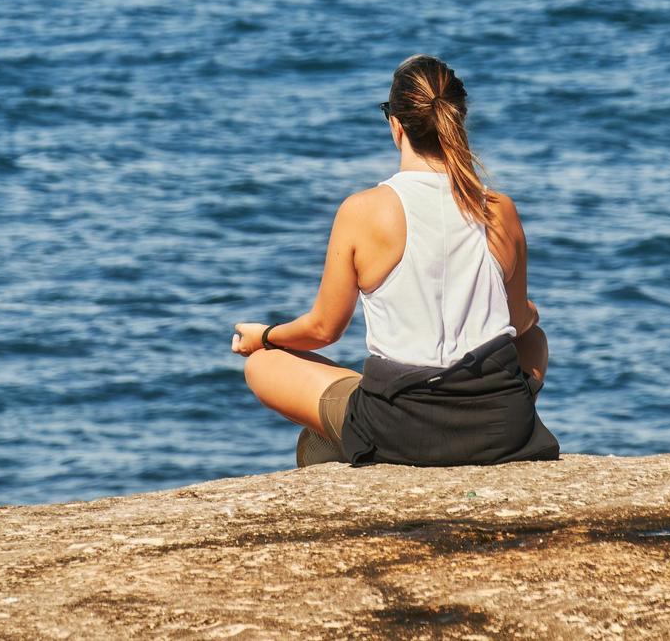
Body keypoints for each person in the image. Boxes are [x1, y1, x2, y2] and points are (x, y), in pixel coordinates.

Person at [232, 54, 559, 467]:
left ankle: (347, 436)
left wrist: (264, 336)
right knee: (534, 339)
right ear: (457, 120)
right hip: (501, 425)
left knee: (262, 366)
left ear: (396, 126)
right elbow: (517, 321)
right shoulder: (499, 210)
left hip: (399, 429)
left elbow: (323, 329)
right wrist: (531, 312)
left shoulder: (363, 210)